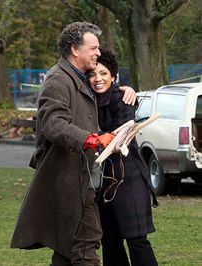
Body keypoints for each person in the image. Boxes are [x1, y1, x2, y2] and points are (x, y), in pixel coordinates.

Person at [10, 22, 136, 266]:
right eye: (93, 48)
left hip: (80, 178)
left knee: (67, 250)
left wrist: (124, 91)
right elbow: (53, 124)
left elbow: (96, 103)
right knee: (86, 246)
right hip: (69, 180)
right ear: (74, 49)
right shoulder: (58, 80)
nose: (98, 53)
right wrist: (91, 140)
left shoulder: (77, 78)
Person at [88, 49, 159, 266]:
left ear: (113, 76)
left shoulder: (122, 98)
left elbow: (123, 133)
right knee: (110, 241)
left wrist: (108, 140)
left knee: (137, 239)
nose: (98, 79)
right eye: (92, 74)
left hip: (128, 177)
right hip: (101, 181)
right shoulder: (86, 100)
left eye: (103, 73)